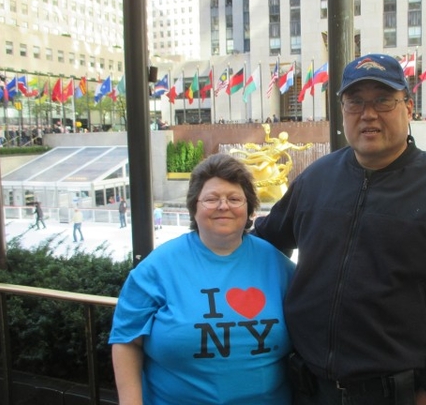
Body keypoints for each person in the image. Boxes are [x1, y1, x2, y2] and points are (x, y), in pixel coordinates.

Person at [252, 54, 426, 405]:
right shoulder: (316, 179)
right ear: (343, 111)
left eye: (383, 100)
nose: (368, 113)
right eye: (355, 101)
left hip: (397, 394)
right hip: (308, 390)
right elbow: (263, 242)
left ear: (409, 108)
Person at [109, 154, 295, 405]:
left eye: (234, 198)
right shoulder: (157, 267)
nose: (223, 206)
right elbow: (126, 340)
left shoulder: (278, 266)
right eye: (211, 199)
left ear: (250, 209)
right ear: (193, 208)